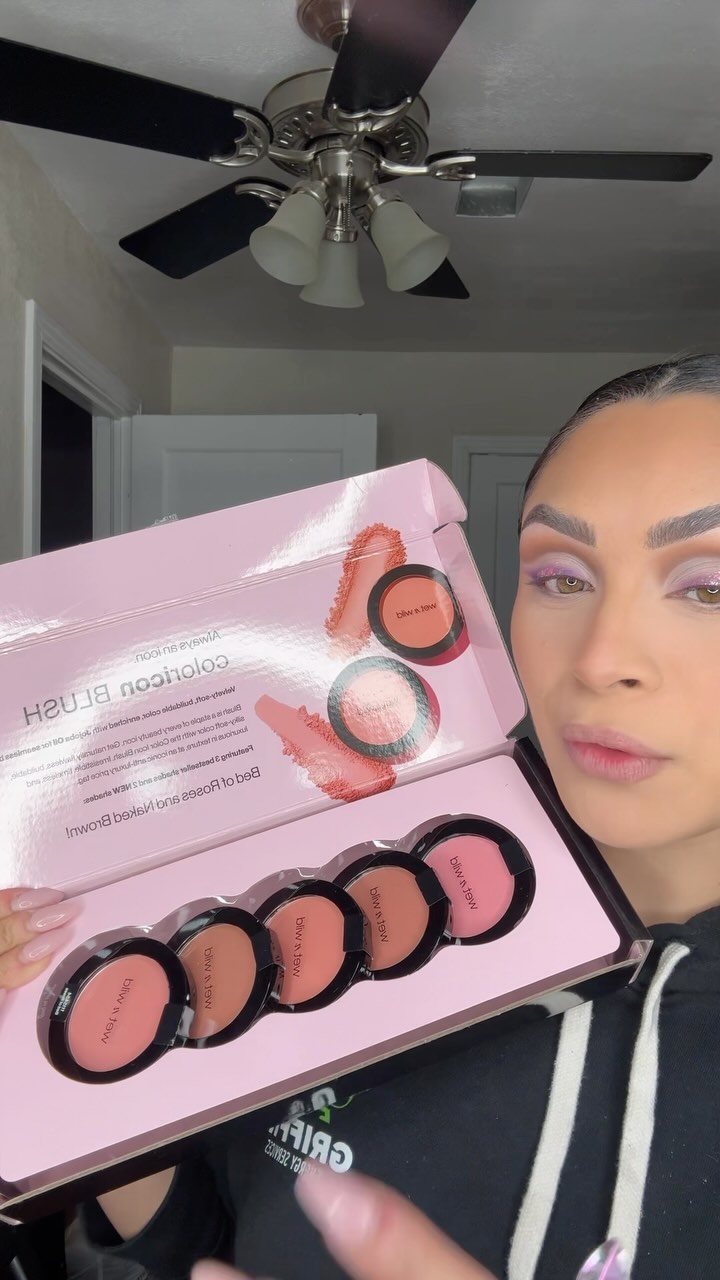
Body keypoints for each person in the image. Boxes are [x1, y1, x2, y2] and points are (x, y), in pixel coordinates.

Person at [3, 354, 720, 1279]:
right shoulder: (373, 875)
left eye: (708, 588)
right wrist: (52, 1050)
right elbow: (199, 1230)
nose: (600, 659)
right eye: (562, 578)